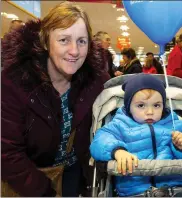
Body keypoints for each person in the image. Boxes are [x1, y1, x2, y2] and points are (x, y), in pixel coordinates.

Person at [1, 1, 110, 197]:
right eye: (64, 40)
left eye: (81, 41)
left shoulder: (96, 81)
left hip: (75, 177)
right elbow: (7, 152)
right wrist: (45, 192)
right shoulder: (14, 82)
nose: (74, 51)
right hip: (27, 181)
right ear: (45, 42)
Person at [90, 74, 182, 197]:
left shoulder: (178, 126)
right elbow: (99, 142)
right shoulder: (119, 126)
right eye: (141, 105)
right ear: (128, 107)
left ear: (164, 105)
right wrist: (117, 151)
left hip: (176, 190)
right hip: (134, 192)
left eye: (156, 105)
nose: (150, 112)